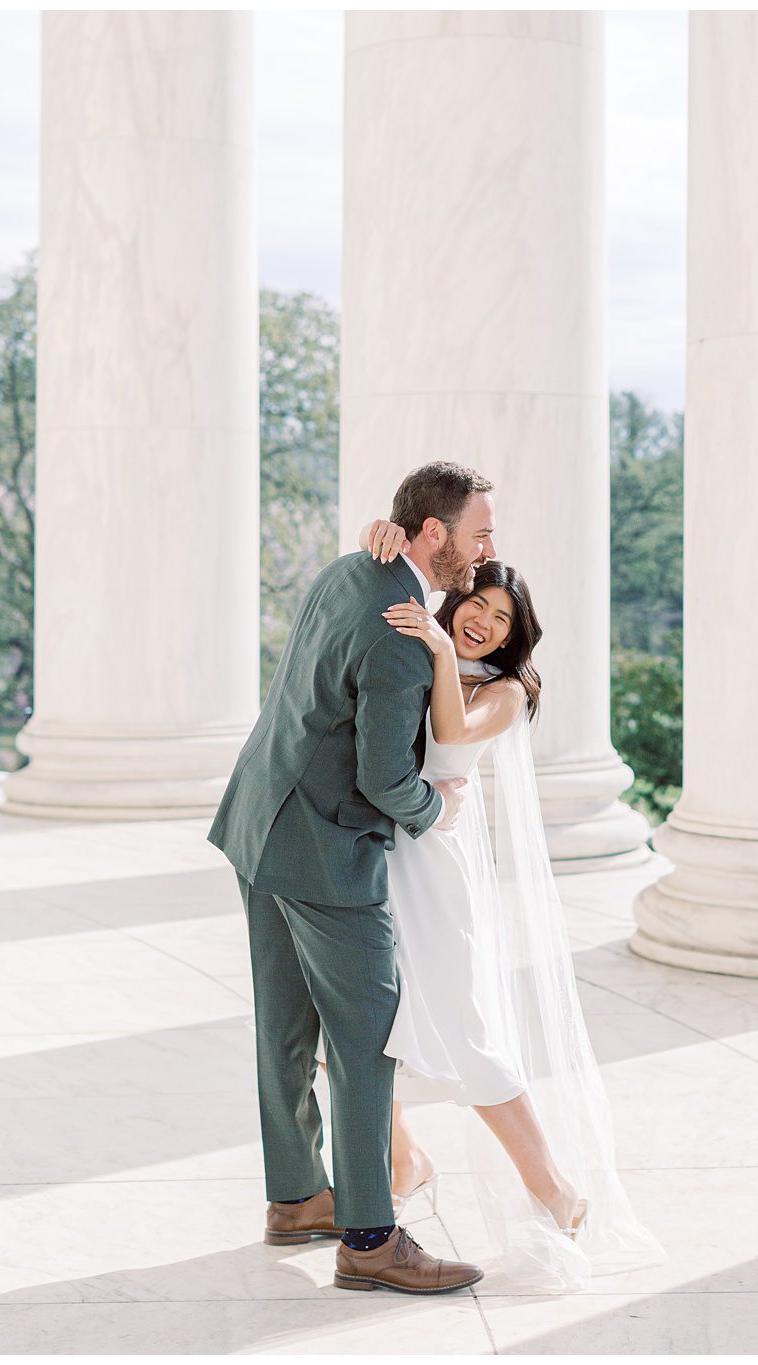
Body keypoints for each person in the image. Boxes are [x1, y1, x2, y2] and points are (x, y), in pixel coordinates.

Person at [208, 461, 495, 1295]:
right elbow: (382, 777)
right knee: (370, 1037)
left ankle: (297, 1196)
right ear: (433, 533)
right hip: (326, 849)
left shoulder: (352, 568)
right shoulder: (404, 632)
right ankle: (369, 1235)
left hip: (259, 817)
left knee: (284, 1027)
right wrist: (434, 809)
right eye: (478, 534)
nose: (484, 552)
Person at [359, 524, 667, 1292]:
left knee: (468, 1029)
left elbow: (450, 733)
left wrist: (436, 648)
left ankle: (557, 1190)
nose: (483, 624)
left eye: (500, 618)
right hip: (387, 854)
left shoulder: (505, 688)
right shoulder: (423, 636)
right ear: (456, 595)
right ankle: (405, 1157)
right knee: (364, 1017)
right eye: (477, 606)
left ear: (513, 632)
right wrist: (390, 535)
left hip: (440, 864)